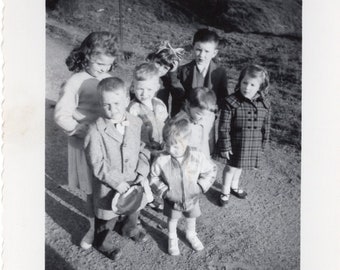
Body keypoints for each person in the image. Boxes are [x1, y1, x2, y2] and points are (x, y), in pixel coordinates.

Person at [54, 31, 118, 250]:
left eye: (109, 65)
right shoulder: (75, 82)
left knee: (109, 184)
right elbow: (61, 116)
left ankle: (109, 223)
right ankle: (92, 227)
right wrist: (81, 130)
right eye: (100, 63)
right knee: (92, 190)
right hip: (84, 144)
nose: (104, 69)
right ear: (87, 55)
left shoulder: (108, 78)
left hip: (107, 143)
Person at [84, 77, 150, 260]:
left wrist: (142, 170)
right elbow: (96, 162)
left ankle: (129, 227)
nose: (112, 109)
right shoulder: (95, 130)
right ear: (100, 104)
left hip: (134, 178)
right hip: (109, 186)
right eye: (107, 105)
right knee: (107, 216)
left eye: (117, 103)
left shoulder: (136, 123)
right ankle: (101, 242)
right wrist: (116, 181)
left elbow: (144, 148)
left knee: (134, 206)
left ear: (127, 100)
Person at [150, 117, 217, 256]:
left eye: (175, 146)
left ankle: (190, 234)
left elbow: (211, 170)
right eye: (167, 145)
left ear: (186, 141)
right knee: (172, 219)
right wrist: (164, 191)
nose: (171, 150)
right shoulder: (162, 159)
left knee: (191, 217)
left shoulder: (197, 156)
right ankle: (172, 237)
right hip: (171, 198)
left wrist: (200, 186)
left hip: (192, 196)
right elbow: (153, 177)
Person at [216, 64, 271, 206]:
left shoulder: (265, 104)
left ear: (261, 87)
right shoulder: (231, 102)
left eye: (253, 84)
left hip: (252, 143)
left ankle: (234, 186)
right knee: (230, 168)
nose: (247, 87)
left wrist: (262, 145)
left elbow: (266, 126)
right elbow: (223, 126)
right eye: (244, 82)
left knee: (239, 167)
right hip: (235, 143)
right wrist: (225, 145)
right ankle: (225, 190)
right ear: (240, 82)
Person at [127, 62, 169, 210]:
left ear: (157, 87)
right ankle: (143, 200)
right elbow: (130, 133)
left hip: (159, 146)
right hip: (142, 149)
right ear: (133, 87)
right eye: (140, 89)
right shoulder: (133, 108)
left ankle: (154, 194)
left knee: (156, 172)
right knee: (142, 175)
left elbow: (164, 124)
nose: (144, 93)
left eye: (149, 89)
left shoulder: (159, 104)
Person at [171, 28, 229, 111]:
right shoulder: (183, 70)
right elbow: (178, 96)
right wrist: (173, 73)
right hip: (186, 117)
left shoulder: (220, 72)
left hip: (208, 118)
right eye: (198, 50)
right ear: (193, 48)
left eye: (207, 51)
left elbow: (222, 98)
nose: (201, 55)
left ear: (214, 53)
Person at [173, 87, 217, 158]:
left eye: (207, 115)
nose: (203, 118)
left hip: (203, 154)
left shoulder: (210, 116)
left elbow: (210, 136)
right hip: (187, 156)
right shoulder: (181, 120)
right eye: (199, 114)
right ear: (188, 105)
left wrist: (210, 153)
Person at [146, 41, 185, 116]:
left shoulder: (165, 82)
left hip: (160, 119)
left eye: (165, 68)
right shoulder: (142, 75)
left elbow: (179, 95)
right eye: (158, 63)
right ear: (153, 59)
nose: (160, 69)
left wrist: (173, 73)